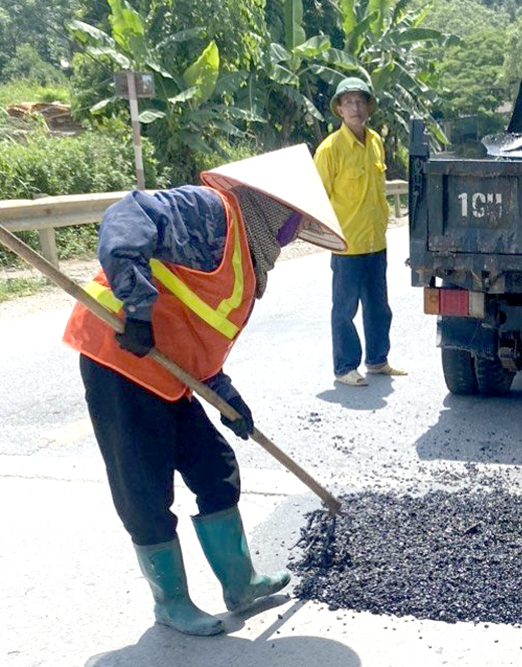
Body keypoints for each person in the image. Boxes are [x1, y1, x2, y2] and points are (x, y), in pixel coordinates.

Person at [62, 145, 347, 636]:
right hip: (119, 360)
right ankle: (170, 603)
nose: (288, 234)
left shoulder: (245, 260)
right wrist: (138, 308)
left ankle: (242, 584)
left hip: (169, 376)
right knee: (145, 489)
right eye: (289, 221)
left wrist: (226, 398)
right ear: (270, 207)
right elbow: (126, 216)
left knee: (214, 468)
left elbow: (199, 336)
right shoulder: (210, 212)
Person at [314, 77, 406, 387]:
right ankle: (344, 368)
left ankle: (378, 361)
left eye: (360, 101)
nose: (355, 107)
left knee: (379, 307)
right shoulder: (330, 150)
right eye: (348, 101)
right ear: (339, 109)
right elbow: (318, 197)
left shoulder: (376, 142)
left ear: (368, 107)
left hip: (375, 241)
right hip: (347, 245)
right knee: (344, 310)